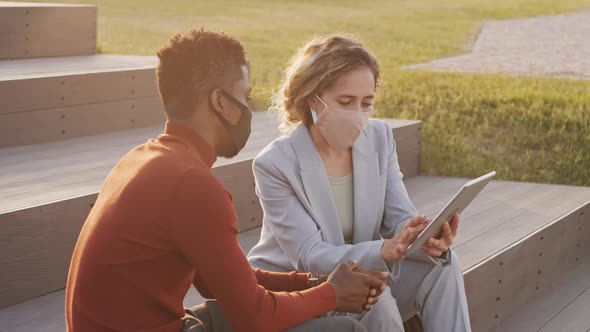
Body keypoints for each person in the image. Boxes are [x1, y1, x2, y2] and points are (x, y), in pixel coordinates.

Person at [65, 28, 390, 332]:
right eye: (245, 98)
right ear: (220, 101)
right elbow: (255, 316)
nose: (249, 110)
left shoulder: (145, 158)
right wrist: (331, 295)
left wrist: (314, 282)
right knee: (344, 329)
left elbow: (217, 281)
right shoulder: (191, 184)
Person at [247, 34, 472, 332]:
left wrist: (425, 237)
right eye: (345, 101)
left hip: (362, 274)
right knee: (374, 297)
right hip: (300, 289)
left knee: (443, 266)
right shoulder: (275, 164)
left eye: (366, 103)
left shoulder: (380, 138)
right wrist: (381, 252)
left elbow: (400, 217)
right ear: (312, 99)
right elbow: (309, 256)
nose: (358, 115)